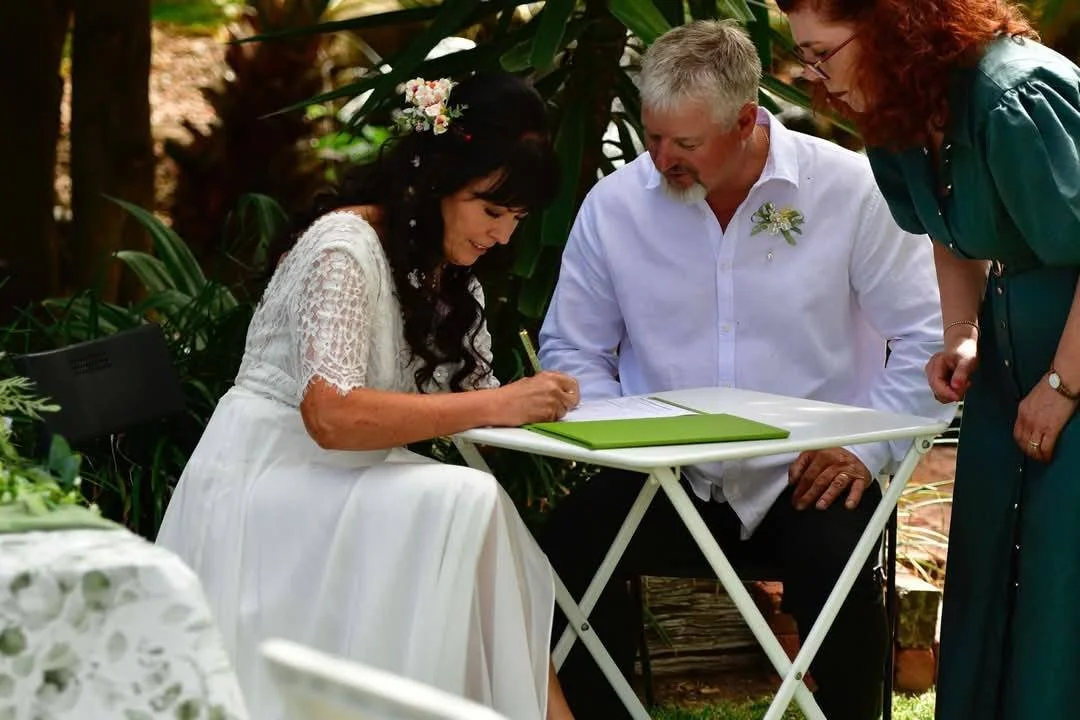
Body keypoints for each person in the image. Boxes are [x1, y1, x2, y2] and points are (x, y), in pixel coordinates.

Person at [537, 20, 952, 720]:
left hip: (813, 474)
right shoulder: (613, 207)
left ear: (747, 120)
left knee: (838, 566)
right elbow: (573, 351)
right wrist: (629, 440)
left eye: (686, 144)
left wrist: (861, 448)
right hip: (665, 477)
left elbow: (927, 340)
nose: (661, 159)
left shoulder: (850, 191)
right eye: (653, 136)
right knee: (557, 552)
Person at [156, 72, 580, 720]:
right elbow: (329, 415)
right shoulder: (345, 245)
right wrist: (497, 403)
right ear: (438, 178)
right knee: (465, 500)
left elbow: (472, 394)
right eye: (492, 210)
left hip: (341, 478)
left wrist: (536, 402)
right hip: (266, 482)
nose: (503, 236)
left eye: (517, 219)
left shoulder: (441, 264)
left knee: (473, 513)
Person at [778, 1, 1080, 717]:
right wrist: (962, 331)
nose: (813, 77)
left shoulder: (1014, 98)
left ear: (890, 27)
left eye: (822, 52)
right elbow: (946, 227)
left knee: (1060, 588)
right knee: (985, 579)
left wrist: (1064, 385)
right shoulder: (901, 111)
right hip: (1012, 370)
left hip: (1068, 364)